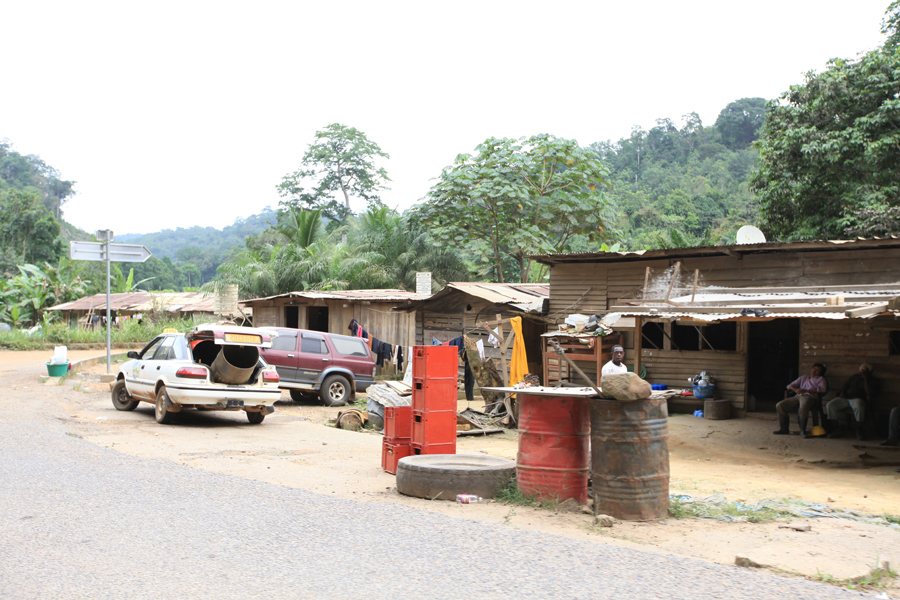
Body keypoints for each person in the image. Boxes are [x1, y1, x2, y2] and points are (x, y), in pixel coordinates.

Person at [825, 363, 879, 440]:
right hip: (847, 398)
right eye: (862, 371)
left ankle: (859, 429)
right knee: (830, 404)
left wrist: (866, 378)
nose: (862, 372)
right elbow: (846, 385)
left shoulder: (873, 380)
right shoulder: (855, 377)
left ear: (870, 371)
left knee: (858, 405)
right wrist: (842, 393)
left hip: (859, 399)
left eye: (865, 371)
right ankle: (836, 428)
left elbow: (869, 392)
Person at [773, 363, 827, 438]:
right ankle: (784, 429)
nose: (814, 370)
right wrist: (796, 390)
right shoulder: (804, 377)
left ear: (820, 372)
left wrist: (807, 391)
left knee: (803, 405)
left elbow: (823, 389)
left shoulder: (821, 379)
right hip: (798, 396)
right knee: (780, 405)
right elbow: (789, 385)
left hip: (810, 397)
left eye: (817, 370)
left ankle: (802, 430)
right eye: (814, 368)